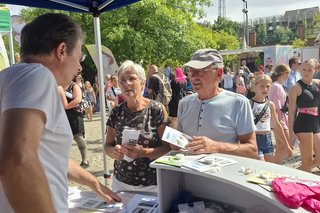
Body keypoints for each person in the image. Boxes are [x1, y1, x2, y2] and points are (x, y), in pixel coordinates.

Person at [0, 13, 120, 213]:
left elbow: (47, 155)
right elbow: (16, 160)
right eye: (79, 56)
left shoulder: (8, 76)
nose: (80, 66)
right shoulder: (37, 75)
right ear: (62, 50)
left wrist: (92, 182)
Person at [177, 49, 257, 159]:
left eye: (200, 71)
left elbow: (252, 150)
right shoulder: (184, 103)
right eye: (191, 71)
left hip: (219, 175)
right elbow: (176, 145)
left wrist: (216, 146)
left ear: (218, 73)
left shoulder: (238, 103)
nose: (194, 76)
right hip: (186, 175)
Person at [104, 60, 171, 193]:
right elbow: (107, 146)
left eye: (132, 79)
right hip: (121, 183)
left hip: (152, 184)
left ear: (142, 83)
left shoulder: (156, 109)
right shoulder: (116, 112)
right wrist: (113, 152)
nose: (126, 83)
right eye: (122, 80)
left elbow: (168, 149)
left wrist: (144, 153)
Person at [250, 74, 292, 162]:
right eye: (262, 86)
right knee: (261, 165)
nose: (265, 89)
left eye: (268, 86)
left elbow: (276, 125)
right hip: (254, 139)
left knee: (268, 168)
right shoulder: (249, 104)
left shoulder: (270, 104)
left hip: (267, 139)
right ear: (255, 86)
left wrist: (286, 145)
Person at [288, 59, 320, 172]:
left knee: (318, 159)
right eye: (303, 69)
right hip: (303, 123)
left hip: (315, 122)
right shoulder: (295, 87)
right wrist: (291, 132)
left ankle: (292, 174)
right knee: (307, 161)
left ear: (316, 70)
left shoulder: (317, 83)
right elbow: (291, 111)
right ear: (300, 70)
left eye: (310, 69)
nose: (306, 72)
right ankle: (299, 181)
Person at [59, 77, 89, 168]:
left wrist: (66, 106)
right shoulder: (58, 86)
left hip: (75, 115)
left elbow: (77, 100)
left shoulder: (73, 86)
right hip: (63, 115)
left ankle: (85, 160)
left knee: (78, 138)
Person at [269, 64, 293, 155]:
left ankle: (277, 163)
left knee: (281, 145)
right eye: (287, 73)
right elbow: (275, 105)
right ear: (283, 73)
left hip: (280, 117)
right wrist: (278, 121)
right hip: (279, 118)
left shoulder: (277, 85)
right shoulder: (276, 86)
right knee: (283, 144)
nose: (288, 76)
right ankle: (276, 163)